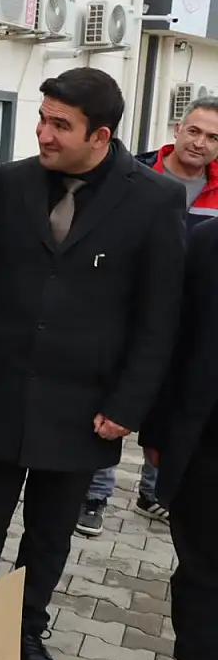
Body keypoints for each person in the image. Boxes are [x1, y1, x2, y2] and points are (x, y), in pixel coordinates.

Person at [0, 67, 185, 660]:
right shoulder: (11, 183)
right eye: (42, 118)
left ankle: (25, 632)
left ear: (100, 135)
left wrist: (128, 404)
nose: (43, 133)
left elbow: (158, 318)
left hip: (85, 407)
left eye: (61, 124)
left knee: (49, 534)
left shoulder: (154, 199)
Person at [77, 96, 218, 536]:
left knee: (176, 407)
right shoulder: (135, 175)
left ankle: (156, 491)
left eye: (213, 137)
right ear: (177, 128)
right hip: (131, 314)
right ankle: (95, 494)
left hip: (193, 322)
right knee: (115, 404)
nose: (200, 142)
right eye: (194, 131)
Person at [140, 216, 218, 660]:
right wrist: (157, 429)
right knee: (201, 564)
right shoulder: (208, 242)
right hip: (206, 442)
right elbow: (172, 340)